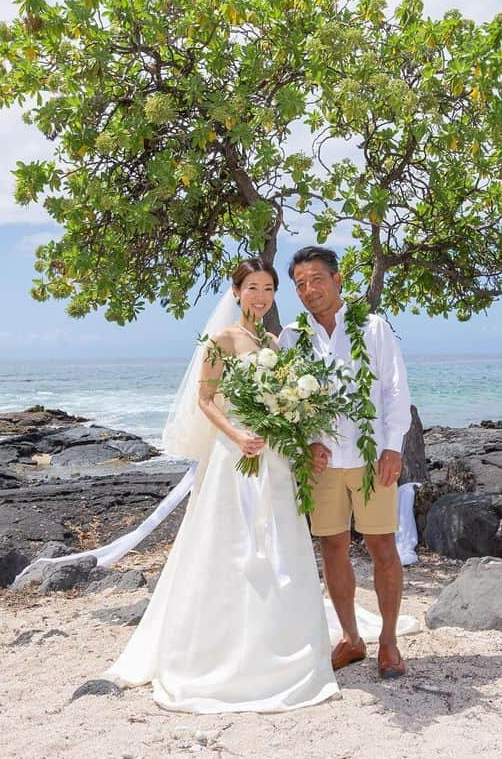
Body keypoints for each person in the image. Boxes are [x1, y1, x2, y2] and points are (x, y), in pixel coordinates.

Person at [104, 258, 339, 712]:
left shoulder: (272, 341)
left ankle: (278, 639)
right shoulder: (220, 339)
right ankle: (221, 649)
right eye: (252, 287)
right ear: (235, 293)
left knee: (277, 542)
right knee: (228, 545)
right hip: (235, 454)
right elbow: (205, 400)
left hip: (272, 457)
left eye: (268, 288)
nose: (261, 296)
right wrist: (236, 435)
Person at [279, 246, 412, 680]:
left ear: (337, 280)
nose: (308, 290)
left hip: (373, 458)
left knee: (382, 547)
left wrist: (393, 447)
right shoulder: (292, 338)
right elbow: (286, 403)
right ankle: (352, 639)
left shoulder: (372, 328)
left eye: (316, 279)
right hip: (322, 464)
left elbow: (394, 389)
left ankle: (389, 642)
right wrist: (306, 442)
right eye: (300, 284)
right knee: (332, 547)